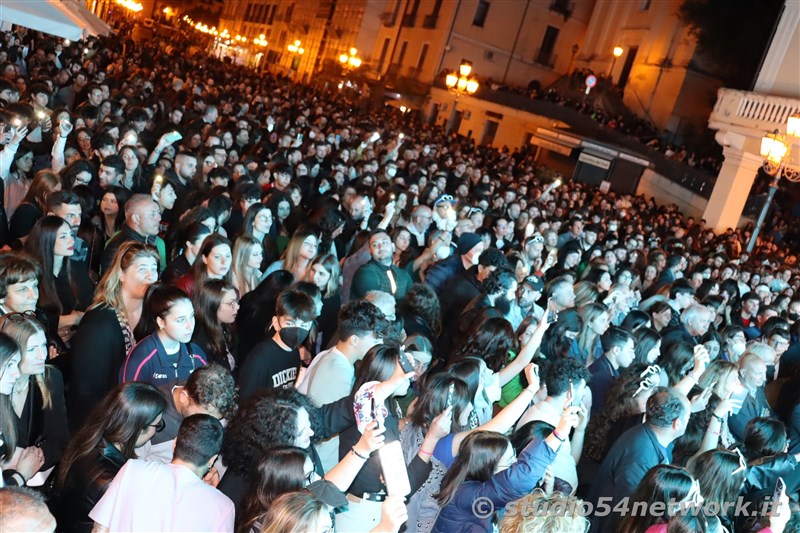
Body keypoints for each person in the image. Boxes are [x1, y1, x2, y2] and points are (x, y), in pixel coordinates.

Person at [432, 404, 581, 533]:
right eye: (510, 462)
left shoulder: (485, 491)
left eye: (515, 456)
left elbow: (517, 515)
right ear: (488, 468)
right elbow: (516, 480)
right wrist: (559, 433)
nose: (515, 464)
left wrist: (544, 494)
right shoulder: (465, 495)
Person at [67, 242, 159, 431]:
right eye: (142, 269)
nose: (151, 276)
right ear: (121, 275)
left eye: (154, 269)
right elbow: (88, 393)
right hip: (102, 423)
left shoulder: (154, 313)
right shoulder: (99, 323)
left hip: (139, 416)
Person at [89, 414, 235, 532]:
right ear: (212, 460)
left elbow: (100, 528)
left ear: (174, 444)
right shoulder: (223, 507)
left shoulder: (133, 469)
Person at [54, 382, 167, 533]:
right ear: (138, 428)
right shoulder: (114, 481)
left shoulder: (91, 437)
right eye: (157, 425)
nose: (157, 431)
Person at [588, 388, 691, 532]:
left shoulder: (653, 437)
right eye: (688, 417)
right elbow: (634, 507)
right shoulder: (640, 456)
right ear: (677, 423)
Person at [0, 314, 68, 480]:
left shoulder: (51, 378)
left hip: (37, 477)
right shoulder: (3, 384)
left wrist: (34, 461)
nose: (41, 355)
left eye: (43, 345)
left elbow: (60, 438)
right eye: (31, 349)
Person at [120, 284, 207, 388]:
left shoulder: (196, 355)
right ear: (161, 322)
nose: (190, 325)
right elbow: (127, 401)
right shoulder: (140, 359)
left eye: (192, 316)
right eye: (181, 320)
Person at [24, 216, 94, 347]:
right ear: (47, 240)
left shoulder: (76, 267)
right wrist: (73, 319)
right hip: (37, 340)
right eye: (63, 237)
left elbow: (89, 304)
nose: (71, 240)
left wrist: (73, 328)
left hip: (74, 338)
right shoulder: (31, 274)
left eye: (71, 235)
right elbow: (28, 317)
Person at [237, 289, 316, 399]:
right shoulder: (259, 360)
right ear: (276, 323)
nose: (297, 331)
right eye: (290, 323)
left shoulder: (295, 353)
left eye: (304, 325)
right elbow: (244, 402)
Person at [100, 194, 165, 274]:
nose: (159, 218)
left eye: (158, 213)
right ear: (136, 219)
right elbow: (109, 283)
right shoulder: (119, 248)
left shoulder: (151, 241)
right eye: (152, 214)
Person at [351, 228, 413, 302]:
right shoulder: (365, 273)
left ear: (393, 247)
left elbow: (413, 301)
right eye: (375, 244)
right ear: (370, 251)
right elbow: (376, 304)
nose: (380, 247)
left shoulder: (403, 274)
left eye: (385, 242)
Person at [192, 279, 239, 371]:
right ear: (212, 306)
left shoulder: (226, 327)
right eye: (230, 303)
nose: (237, 307)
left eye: (236, 301)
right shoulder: (199, 340)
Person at [588, 327, 636, 414]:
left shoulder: (607, 368)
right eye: (630, 351)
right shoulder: (601, 377)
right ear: (616, 350)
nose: (633, 356)